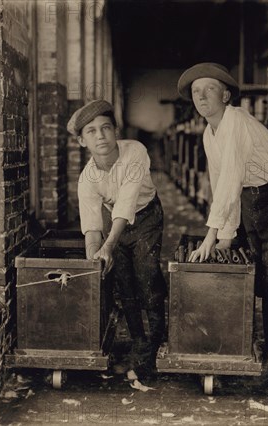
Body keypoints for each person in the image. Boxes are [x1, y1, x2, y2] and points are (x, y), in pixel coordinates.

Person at [177, 63, 268, 396]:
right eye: (196, 92)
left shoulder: (236, 122)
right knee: (263, 283)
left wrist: (212, 237)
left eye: (209, 89)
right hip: (253, 201)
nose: (202, 97)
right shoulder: (209, 132)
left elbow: (230, 180)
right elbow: (219, 185)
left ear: (226, 94)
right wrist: (225, 235)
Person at [68, 99, 167, 379]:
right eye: (91, 131)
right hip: (117, 226)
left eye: (106, 128)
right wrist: (94, 258)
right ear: (81, 141)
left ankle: (156, 340)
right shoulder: (87, 179)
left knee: (147, 275)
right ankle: (139, 340)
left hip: (147, 216)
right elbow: (90, 225)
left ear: (115, 131)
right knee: (124, 280)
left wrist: (108, 245)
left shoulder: (135, 151)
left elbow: (126, 203)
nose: (100, 136)